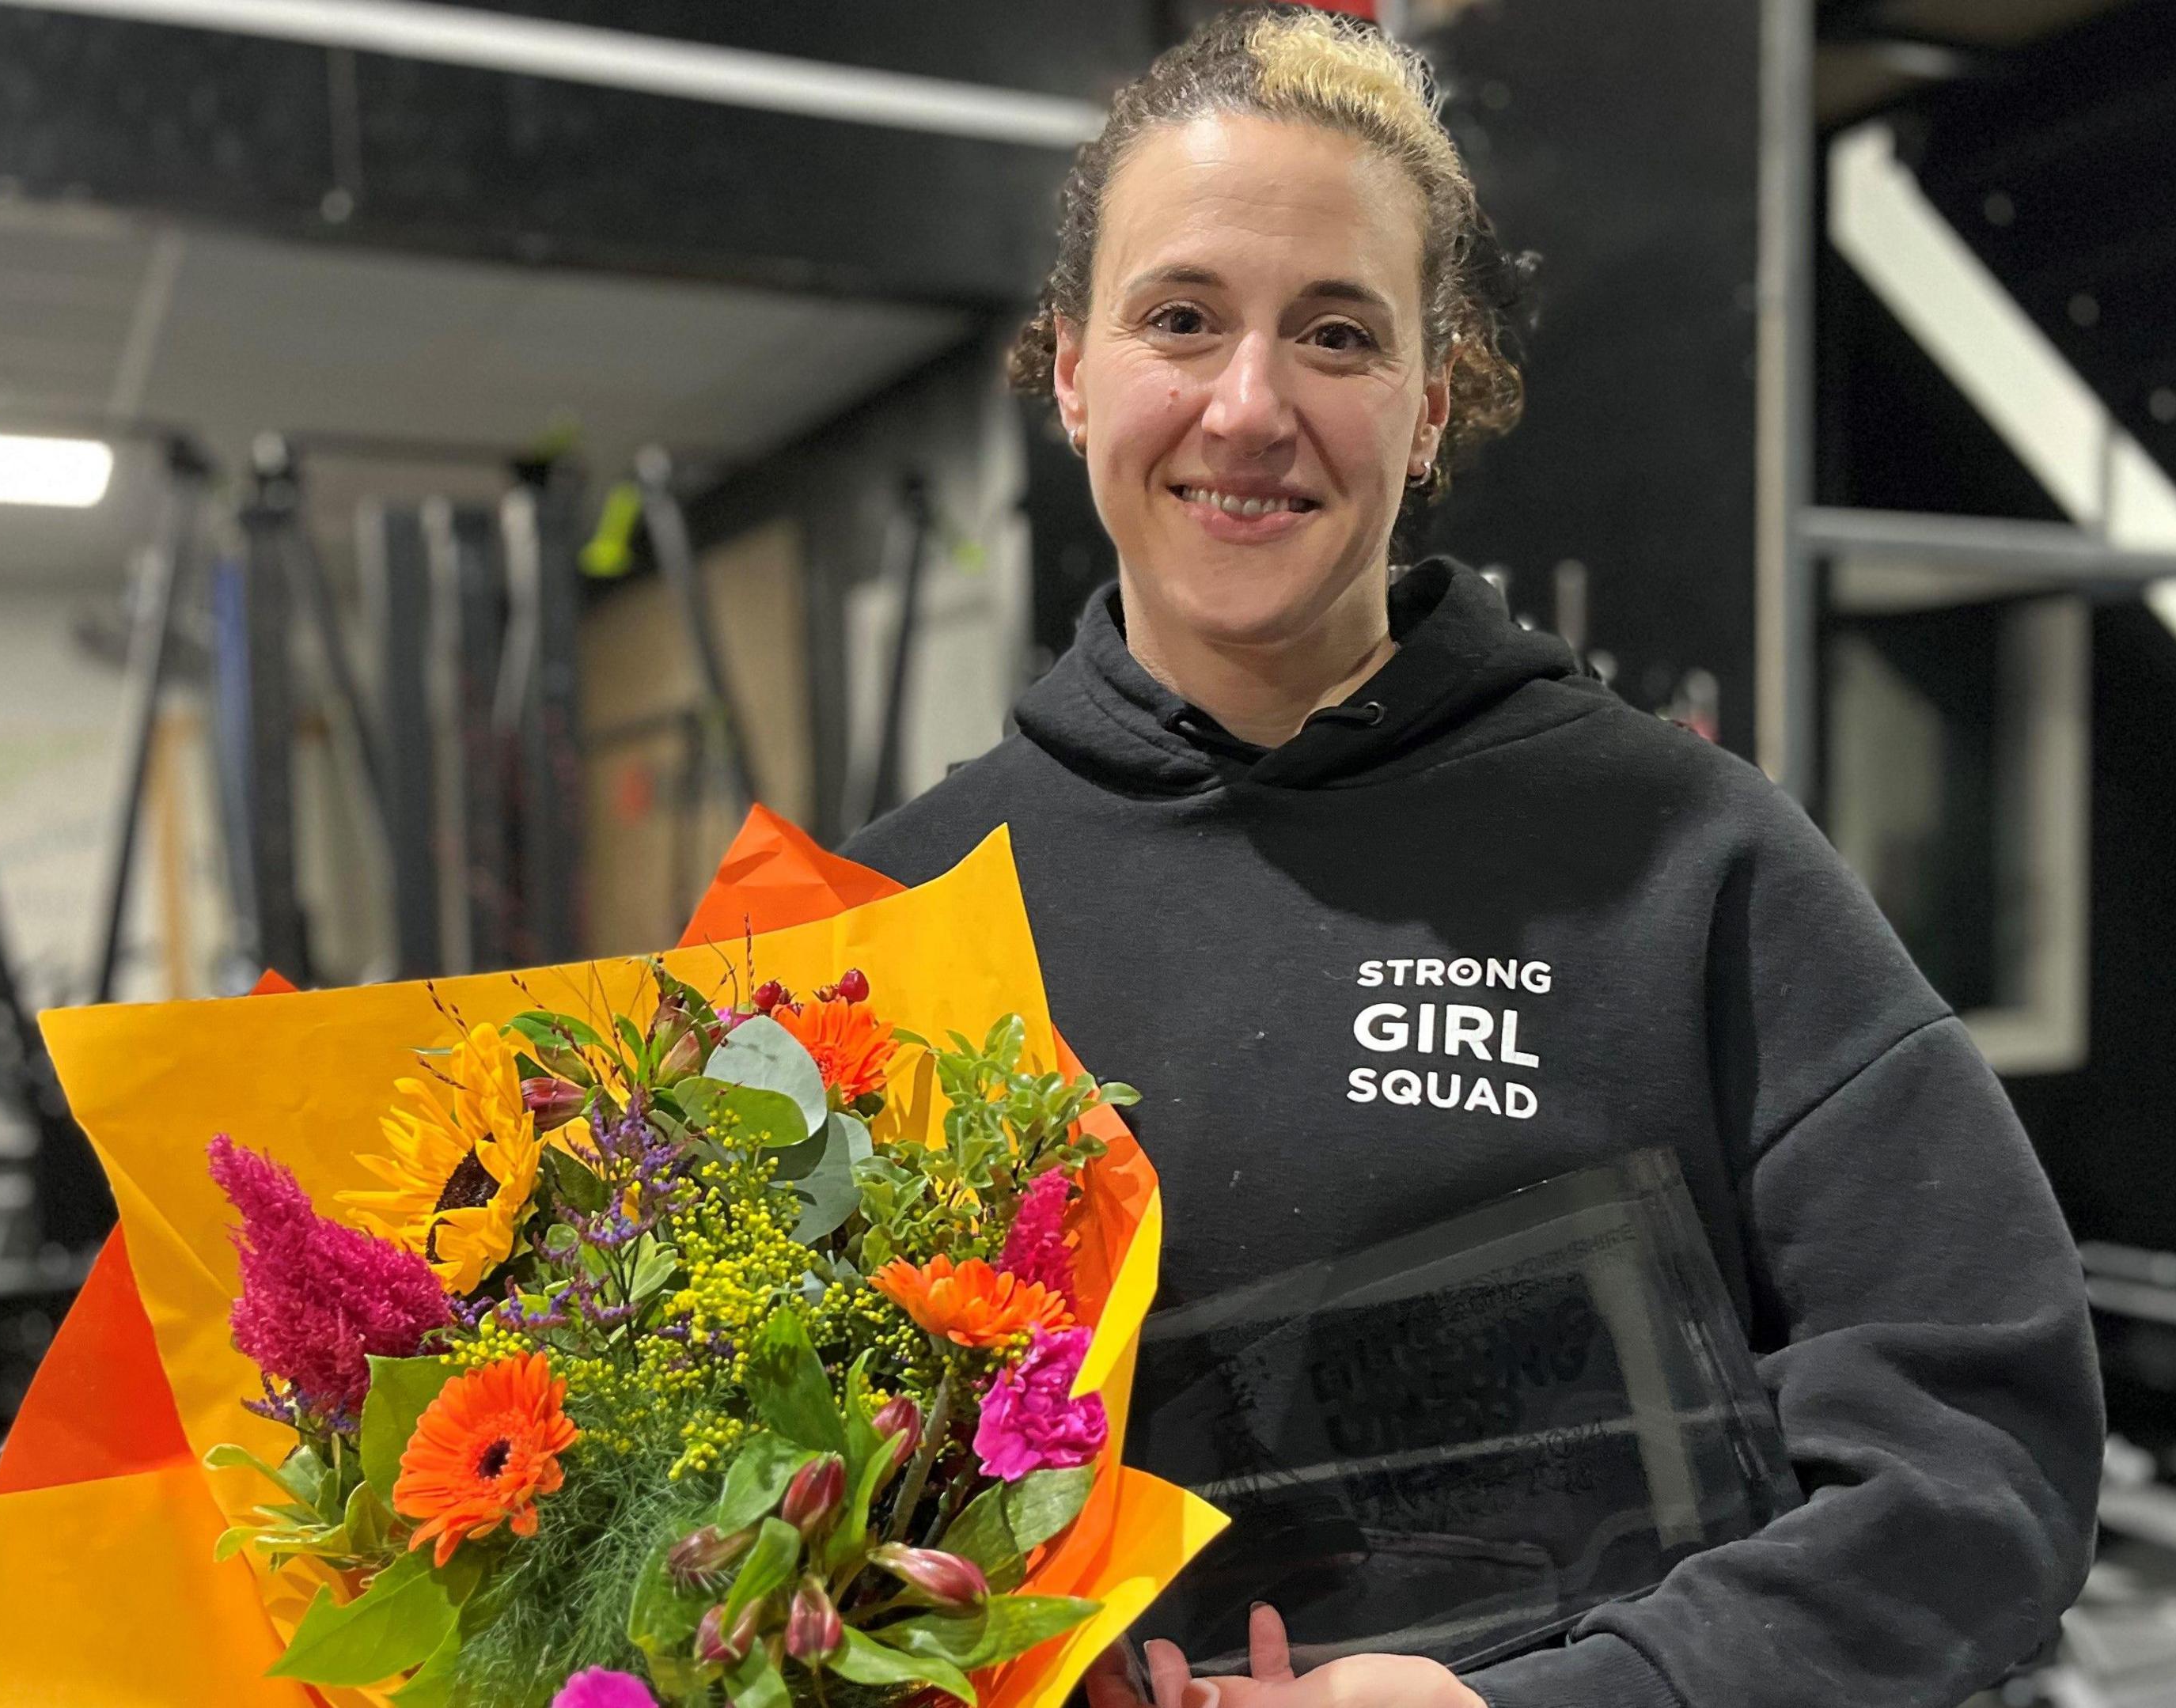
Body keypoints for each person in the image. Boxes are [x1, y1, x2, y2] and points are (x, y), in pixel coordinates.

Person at [843, 9, 2102, 1707]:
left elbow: (1984, 1459)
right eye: (1182, 318)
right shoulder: (891, 921)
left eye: (1339, 335)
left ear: (1431, 405)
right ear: (1073, 370)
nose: (1250, 403)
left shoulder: (1682, 857)